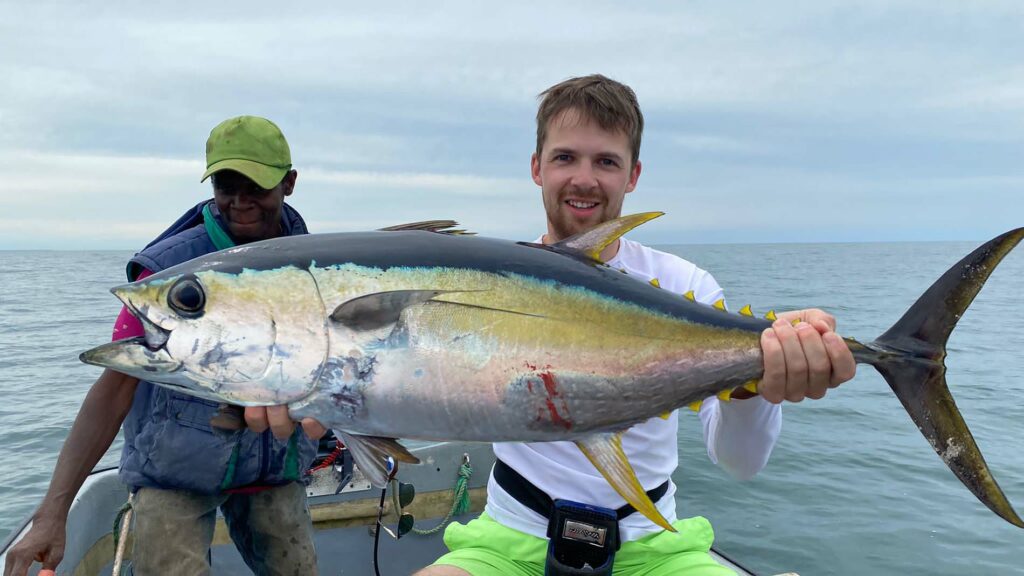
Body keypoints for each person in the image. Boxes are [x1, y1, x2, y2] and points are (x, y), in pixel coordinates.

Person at [416, 75, 857, 576]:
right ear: (537, 167)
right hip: (506, 540)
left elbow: (741, 463)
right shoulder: (492, 282)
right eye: (565, 158)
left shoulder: (681, 282)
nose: (584, 179)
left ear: (633, 175)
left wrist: (756, 385)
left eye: (606, 161)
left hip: (656, 551)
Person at [4, 115, 327, 576]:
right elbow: (115, 388)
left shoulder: (315, 266)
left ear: (289, 183)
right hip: (173, 475)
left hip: (274, 468)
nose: (239, 201)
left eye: (255, 186)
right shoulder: (168, 275)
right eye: (225, 184)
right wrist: (52, 513)